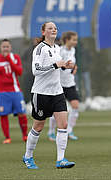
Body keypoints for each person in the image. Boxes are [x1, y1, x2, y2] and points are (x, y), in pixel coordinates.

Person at [22, 22, 75, 169]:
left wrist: (65, 66)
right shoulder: (40, 49)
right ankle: (28, 157)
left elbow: (58, 66)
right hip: (41, 93)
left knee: (63, 124)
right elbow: (36, 70)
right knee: (38, 126)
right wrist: (56, 65)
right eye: (50, 28)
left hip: (57, 92)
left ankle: (61, 160)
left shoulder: (57, 48)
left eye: (55, 28)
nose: (53, 30)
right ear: (43, 31)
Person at [0, 39, 28, 144]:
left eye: (7, 46)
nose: (5, 48)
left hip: (15, 90)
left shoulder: (15, 58)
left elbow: (19, 72)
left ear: (10, 47)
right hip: (2, 93)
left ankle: (25, 135)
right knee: (3, 114)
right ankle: (7, 137)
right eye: (3, 47)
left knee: (21, 113)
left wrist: (9, 60)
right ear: (1, 48)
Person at [48, 31, 80, 141]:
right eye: (74, 40)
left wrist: (74, 67)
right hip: (59, 84)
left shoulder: (73, 50)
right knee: (55, 110)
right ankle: (51, 132)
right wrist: (64, 67)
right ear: (67, 40)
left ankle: (69, 130)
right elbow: (57, 65)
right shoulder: (60, 50)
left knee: (75, 106)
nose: (76, 42)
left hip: (70, 83)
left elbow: (72, 64)